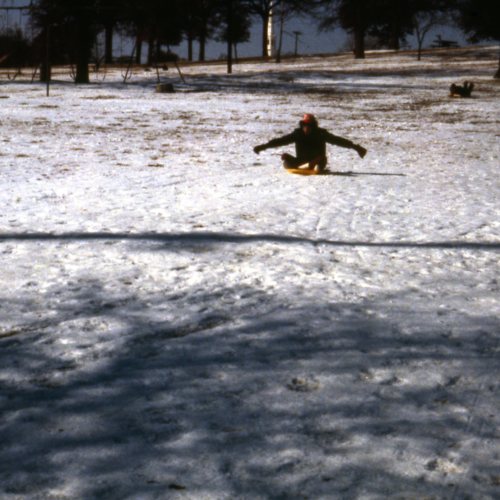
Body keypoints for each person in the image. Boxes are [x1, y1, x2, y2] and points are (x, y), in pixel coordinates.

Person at [253, 113, 367, 172]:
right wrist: (264, 146)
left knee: (319, 160)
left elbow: (337, 140)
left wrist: (355, 147)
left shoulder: (321, 133)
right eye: (305, 126)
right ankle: (303, 164)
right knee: (286, 162)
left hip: (318, 160)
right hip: (302, 160)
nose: (307, 128)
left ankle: (314, 165)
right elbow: (280, 141)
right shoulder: (297, 134)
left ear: (313, 126)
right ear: (302, 126)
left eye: (309, 126)